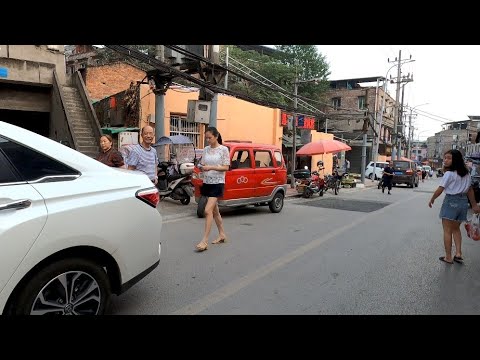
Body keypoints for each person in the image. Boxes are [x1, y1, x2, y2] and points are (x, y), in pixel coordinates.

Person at [428, 150, 480, 264]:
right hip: (463, 203)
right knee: (456, 229)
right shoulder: (466, 173)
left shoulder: (449, 174)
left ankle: (448, 257)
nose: (445, 160)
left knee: (447, 230)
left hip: (451, 201)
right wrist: (474, 204)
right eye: (445, 158)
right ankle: (458, 253)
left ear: (455, 160)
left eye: (448, 158)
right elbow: (470, 190)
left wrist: (432, 199)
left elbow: (441, 188)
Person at [195, 127, 230, 252]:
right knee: (215, 211)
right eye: (206, 138)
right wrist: (201, 167)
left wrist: (211, 167)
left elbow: (226, 167)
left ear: (216, 136)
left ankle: (204, 241)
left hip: (217, 183)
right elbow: (203, 164)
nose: (208, 140)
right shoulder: (205, 150)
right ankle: (222, 234)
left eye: (210, 137)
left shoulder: (223, 150)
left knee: (207, 210)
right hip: (207, 182)